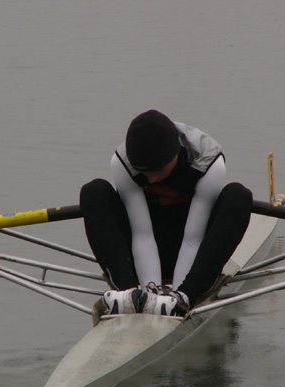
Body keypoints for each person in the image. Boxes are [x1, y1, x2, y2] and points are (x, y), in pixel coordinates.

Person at [80, 109, 252, 317]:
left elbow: (193, 240)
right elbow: (142, 235)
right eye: (144, 172)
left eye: (157, 171)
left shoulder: (208, 162)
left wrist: (177, 299)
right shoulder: (122, 163)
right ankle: (127, 294)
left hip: (194, 251)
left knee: (238, 196)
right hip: (140, 250)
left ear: (174, 154)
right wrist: (149, 293)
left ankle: (189, 295)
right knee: (93, 192)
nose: (151, 179)